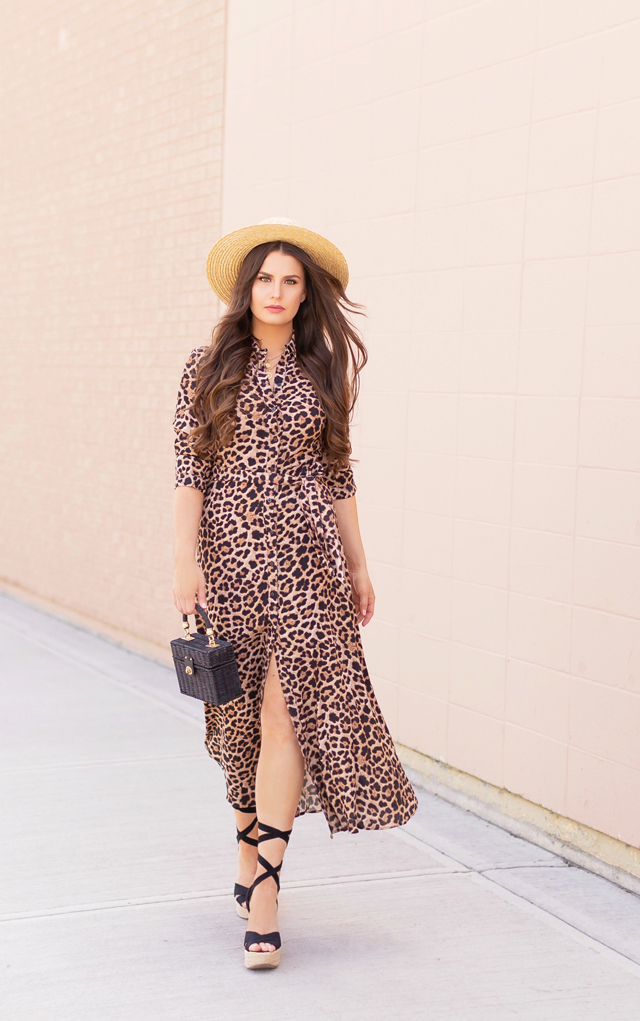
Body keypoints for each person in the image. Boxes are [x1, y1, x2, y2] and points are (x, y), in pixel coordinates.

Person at [172, 218, 418, 970]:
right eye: (266, 279)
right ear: (246, 288)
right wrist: (184, 560)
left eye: (291, 281)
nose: (276, 292)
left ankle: (268, 891)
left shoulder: (325, 371)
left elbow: (338, 473)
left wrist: (360, 562)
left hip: (309, 564)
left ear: (305, 295)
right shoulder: (204, 366)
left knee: (288, 716)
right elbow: (189, 469)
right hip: (231, 562)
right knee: (240, 723)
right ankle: (247, 842)